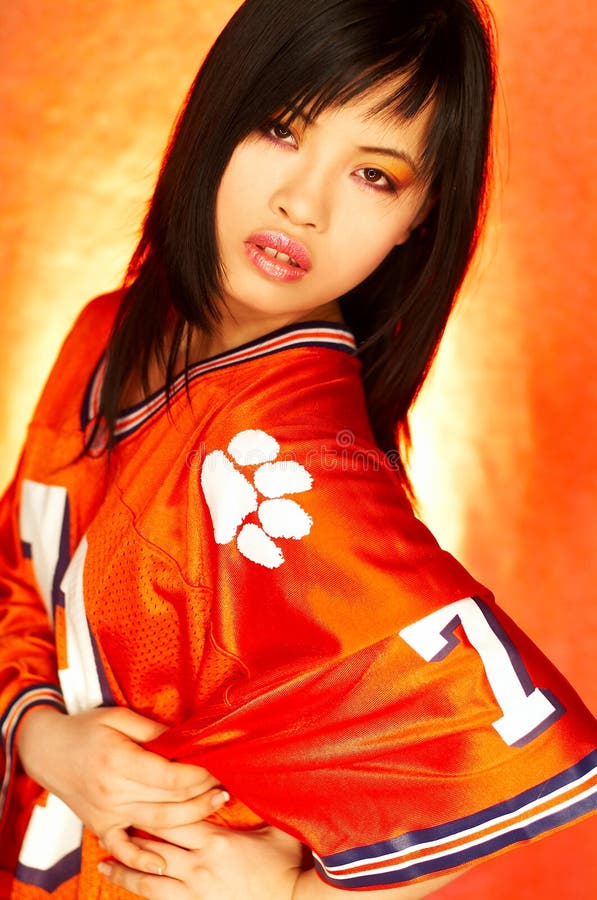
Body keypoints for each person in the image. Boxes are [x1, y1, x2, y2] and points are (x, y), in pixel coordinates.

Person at [1, 0, 595, 897]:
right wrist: (39, 734)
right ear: (217, 110)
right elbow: (16, 568)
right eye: (281, 128)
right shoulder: (107, 330)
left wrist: (289, 893)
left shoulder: (297, 459)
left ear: (418, 221)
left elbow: (511, 740)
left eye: (374, 175)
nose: (302, 203)